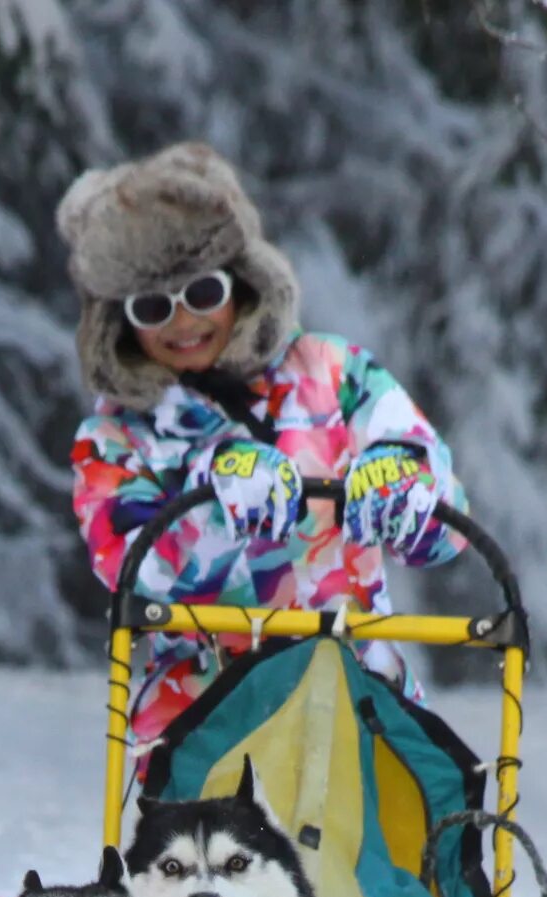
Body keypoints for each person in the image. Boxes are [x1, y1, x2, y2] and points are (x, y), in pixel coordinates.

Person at [58, 142, 468, 747]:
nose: (181, 322)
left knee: (414, 808)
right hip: (205, 722)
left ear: (242, 283)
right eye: (153, 306)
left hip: (358, 706)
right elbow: (138, 568)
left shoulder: (335, 375)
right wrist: (213, 507)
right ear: (120, 322)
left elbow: (443, 519)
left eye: (202, 293)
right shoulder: (116, 439)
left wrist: (404, 485)